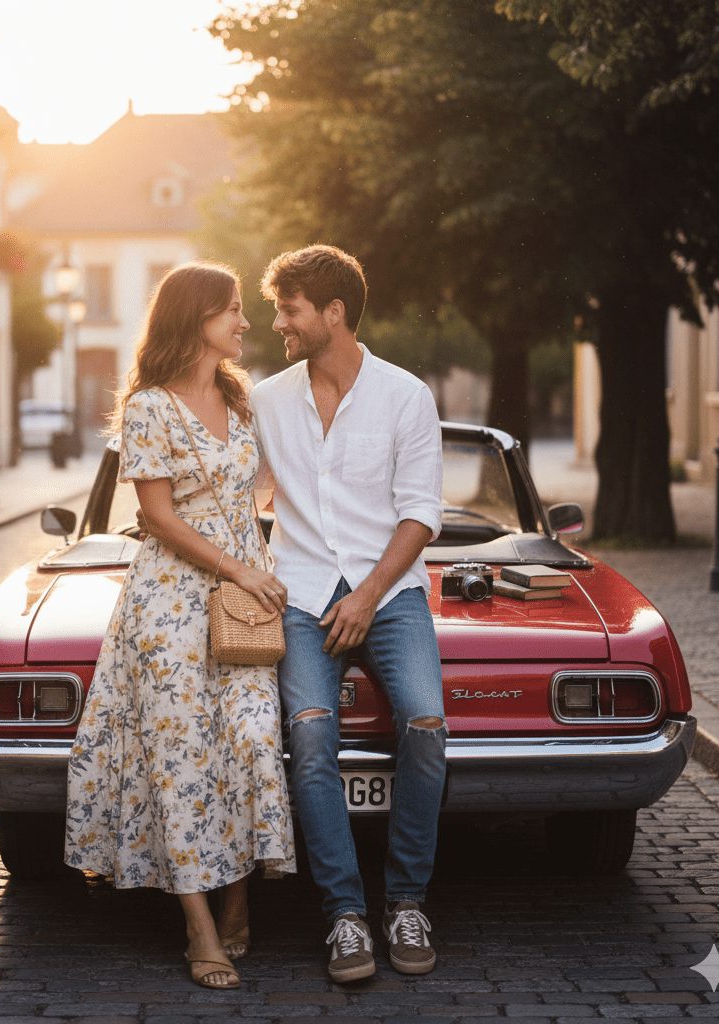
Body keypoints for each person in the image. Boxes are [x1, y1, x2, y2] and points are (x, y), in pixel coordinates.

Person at [64, 262, 296, 991]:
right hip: (169, 607)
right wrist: (240, 567)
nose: (245, 322)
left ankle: (238, 893)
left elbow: (270, 486)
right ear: (195, 317)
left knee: (255, 740)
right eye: (232, 309)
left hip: (243, 596)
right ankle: (201, 926)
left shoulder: (243, 396)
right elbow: (157, 518)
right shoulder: (149, 408)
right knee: (182, 761)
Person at [249, 244, 446, 983]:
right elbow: (249, 495)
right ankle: (344, 915)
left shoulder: (406, 397)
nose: (277, 324)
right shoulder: (267, 400)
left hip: (390, 596)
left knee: (426, 725)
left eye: (289, 309)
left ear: (334, 312)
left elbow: (420, 516)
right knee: (309, 737)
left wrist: (365, 597)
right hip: (298, 594)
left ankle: (405, 901)